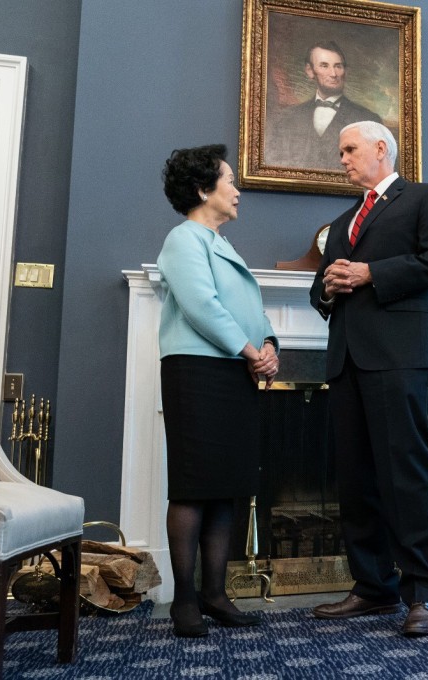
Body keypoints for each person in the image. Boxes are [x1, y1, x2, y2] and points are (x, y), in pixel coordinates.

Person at [309, 121, 428, 636]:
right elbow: (320, 294)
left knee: (406, 476)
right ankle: (373, 588)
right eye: (340, 151)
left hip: (401, 357)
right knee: (356, 482)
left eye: (349, 149)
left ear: (380, 148)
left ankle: (423, 595)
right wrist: (329, 287)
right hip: (347, 362)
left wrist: (370, 273)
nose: (342, 159)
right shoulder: (341, 222)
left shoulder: (425, 197)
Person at [158, 144, 280, 638]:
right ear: (203, 189)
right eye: (229, 180)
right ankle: (184, 600)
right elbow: (202, 307)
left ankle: (215, 594)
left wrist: (269, 343)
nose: (237, 189)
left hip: (234, 371)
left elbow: (251, 307)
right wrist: (253, 352)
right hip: (197, 371)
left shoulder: (221, 243)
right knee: (194, 485)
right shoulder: (183, 239)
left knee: (227, 486)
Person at [265, 41, 383, 170]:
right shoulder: (287, 118)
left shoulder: (369, 120)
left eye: (338, 66)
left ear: (345, 71)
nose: (333, 74)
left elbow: (375, 171)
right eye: (324, 66)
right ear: (310, 71)